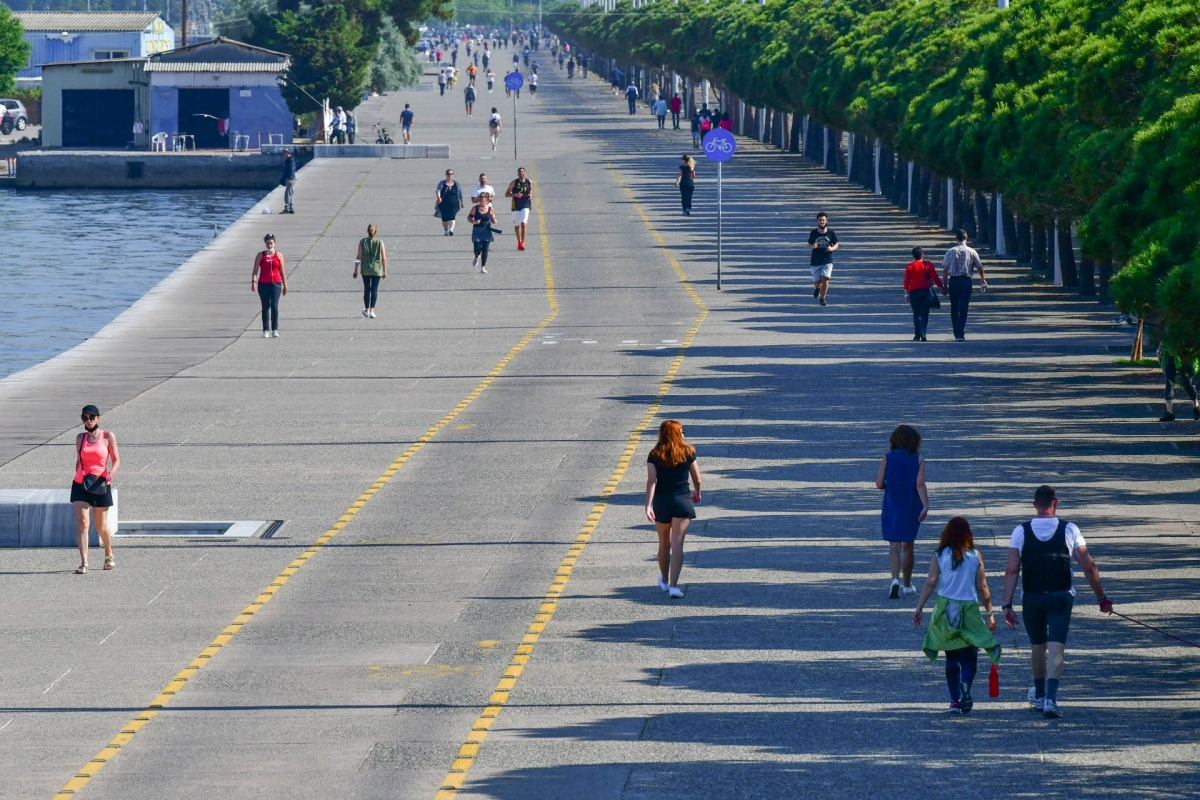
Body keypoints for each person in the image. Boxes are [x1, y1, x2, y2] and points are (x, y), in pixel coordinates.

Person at [1002, 485, 1113, 720]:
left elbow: (1012, 570)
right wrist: (1101, 598)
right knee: (1056, 646)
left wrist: (1007, 605)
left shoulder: (1020, 532)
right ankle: (1051, 698)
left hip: (1032, 597)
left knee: (1037, 645)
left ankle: (1040, 694)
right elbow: (1088, 566)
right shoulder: (1070, 530)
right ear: (1056, 503)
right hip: (1061, 596)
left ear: (1034, 505)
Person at [913, 517, 1002, 714]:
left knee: (951, 655)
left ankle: (955, 701)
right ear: (969, 535)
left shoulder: (940, 555)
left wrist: (919, 608)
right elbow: (982, 586)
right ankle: (966, 685)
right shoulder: (975, 556)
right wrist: (990, 613)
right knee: (970, 655)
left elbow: (931, 582)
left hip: (946, 608)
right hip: (969, 608)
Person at [645, 420, 702, 599]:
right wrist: (697, 493)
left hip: (661, 501)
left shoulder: (654, 454)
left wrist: (648, 505)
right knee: (678, 544)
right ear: (679, 433)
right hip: (682, 500)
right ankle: (675, 587)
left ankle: (664, 579)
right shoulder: (688, 452)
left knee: (664, 543)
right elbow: (697, 479)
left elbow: (651, 481)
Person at [875, 424, 928, 598]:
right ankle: (907, 584)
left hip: (892, 504)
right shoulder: (918, 459)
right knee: (909, 546)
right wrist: (925, 505)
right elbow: (919, 484)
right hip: (911, 505)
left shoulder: (887, 458)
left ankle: (894, 579)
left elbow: (879, 484)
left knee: (894, 546)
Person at [71, 404, 120, 574]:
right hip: (81, 483)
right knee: (83, 523)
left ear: (99, 418)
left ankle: (109, 551)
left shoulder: (107, 436)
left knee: (101, 526)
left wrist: (111, 474)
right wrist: (77, 475)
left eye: (92, 417)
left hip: (100, 483)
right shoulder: (80, 438)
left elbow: (116, 459)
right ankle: (84, 562)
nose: (89, 421)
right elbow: (79, 460)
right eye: (85, 418)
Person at [941, 229, 988, 341]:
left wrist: (944, 285)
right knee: (964, 307)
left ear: (956, 238)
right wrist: (983, 279)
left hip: (954, 281)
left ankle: (956, 332)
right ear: (967, 238)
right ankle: (960, 332)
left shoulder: (950, 251)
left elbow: (945, 270)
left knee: (954, 307)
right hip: (966, 281)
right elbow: (980, 267)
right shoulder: (972, 252)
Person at [904, 246, 945, 341]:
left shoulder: (910, 266)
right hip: (925, 291)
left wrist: (906, 294)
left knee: (916, 314)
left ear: (913, 256)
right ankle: (923, 332)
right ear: (922, 255)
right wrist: (941, 287)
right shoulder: (928, 265)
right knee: (925, 314)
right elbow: (935, 277)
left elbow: (906, 281)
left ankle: (917, 334)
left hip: (914, 292)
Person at [251, 233, 287, 338]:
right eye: (268, 243)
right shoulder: (261, 255)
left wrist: (285, 286)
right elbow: (255, 270)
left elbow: (282, 271)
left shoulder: (279, 255)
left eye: (271, 243)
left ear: (274, 243)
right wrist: (254, 282)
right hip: (263, 284)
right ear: (265, 243)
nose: (269, 245)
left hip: (275, 284)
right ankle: (265, 329)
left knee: (274, 305)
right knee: (265, 306)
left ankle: (275, 329)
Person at [354, 224, 387, 318]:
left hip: (365, 269)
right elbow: (384, 258)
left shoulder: (362, 242)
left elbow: (359, 257)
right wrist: (385, 271)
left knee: (367, 289)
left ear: (367, 231)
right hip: (377, 269)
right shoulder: (380, 242)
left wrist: (355, 269)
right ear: (376, 231)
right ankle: (372, 310)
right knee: (374, 289)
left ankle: (366, 309)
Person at [1159, 348, 1199, 421]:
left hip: (1187, 354)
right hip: (1171, 353)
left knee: (1186, 383)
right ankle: (1169, 413)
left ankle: (1196, 407)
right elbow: (1164, 338)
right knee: (1169, 382)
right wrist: (1160, 349)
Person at [808, 212, 839, 306]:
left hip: (827, 260)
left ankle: (823, 298)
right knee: (817, 282)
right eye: (820, 220)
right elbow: (809, 244)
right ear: (817, 221)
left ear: (826, 221)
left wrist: (832, 248)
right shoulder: (813, 233)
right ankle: (817, 288)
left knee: (825, 278)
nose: (822, 222)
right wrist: (813, 246)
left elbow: (836, 244)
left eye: (823, 220)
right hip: (816, 260)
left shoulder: (831, 233)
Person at [468, 193, 496, 274]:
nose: (480, 198)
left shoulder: (490, 209)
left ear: (486, 199)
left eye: (482, 197)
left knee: (485, 249)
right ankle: (477, 256)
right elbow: (469, 218)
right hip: (477, 231)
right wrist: (474, 222)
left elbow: (493, 219)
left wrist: (494, 220)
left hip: (486, 231)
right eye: (479, 197)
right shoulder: (475, 208)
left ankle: (483, 267)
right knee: (476, 248)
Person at [505, 167, 533, 251]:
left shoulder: (529, 182)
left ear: (525, 173)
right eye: (520, 172)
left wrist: (530, 195)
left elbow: (530, 190)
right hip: (516, 206)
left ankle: (523, 243)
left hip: (525, 205)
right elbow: (506, 194)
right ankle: (519, 241)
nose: (521, 173)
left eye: (523, 172)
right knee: (517, 226)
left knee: (523, 223)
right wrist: (515, 195)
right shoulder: (514, 183)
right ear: (517, 174)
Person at [435, 169, 463, 236]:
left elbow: (460, 193)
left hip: (454, 204)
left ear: (453, 175)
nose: (450, 175)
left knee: (452, 216)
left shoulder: (456, 184)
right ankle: (446, 230)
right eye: (448, 174)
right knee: (444, 218)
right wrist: (439, 197)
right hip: (444, 204)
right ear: (446, 175)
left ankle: (451, 230)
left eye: (451, 174)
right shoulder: (442, 183)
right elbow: (438, 190)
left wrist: (462, 202)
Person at [279, 148, 296, 214]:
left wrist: (290, 179)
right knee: (290, 193)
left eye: (284, 153)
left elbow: (292, 170)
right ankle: (291, 209)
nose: (283, 155)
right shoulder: (290, 160)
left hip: (290, 179)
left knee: (287, 194)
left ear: (286, 153)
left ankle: (287, 208)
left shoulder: (290, 160)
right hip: (290, 179)